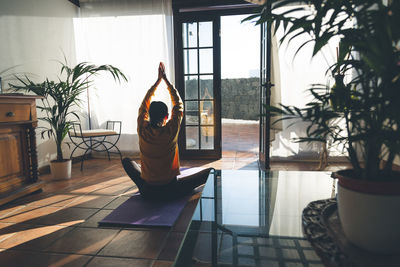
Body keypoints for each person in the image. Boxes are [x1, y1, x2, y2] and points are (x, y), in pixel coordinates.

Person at [122, 62, 212, 200]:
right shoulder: (171, 130)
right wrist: (166, 81)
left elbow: (144, 104)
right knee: (209, 172)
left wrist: (157, 82)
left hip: (147, 191)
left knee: (127, 161)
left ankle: (146, 183)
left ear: (149, 115)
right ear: (166, 117)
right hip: (171, 190)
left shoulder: (142, 128)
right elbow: (178, 104)